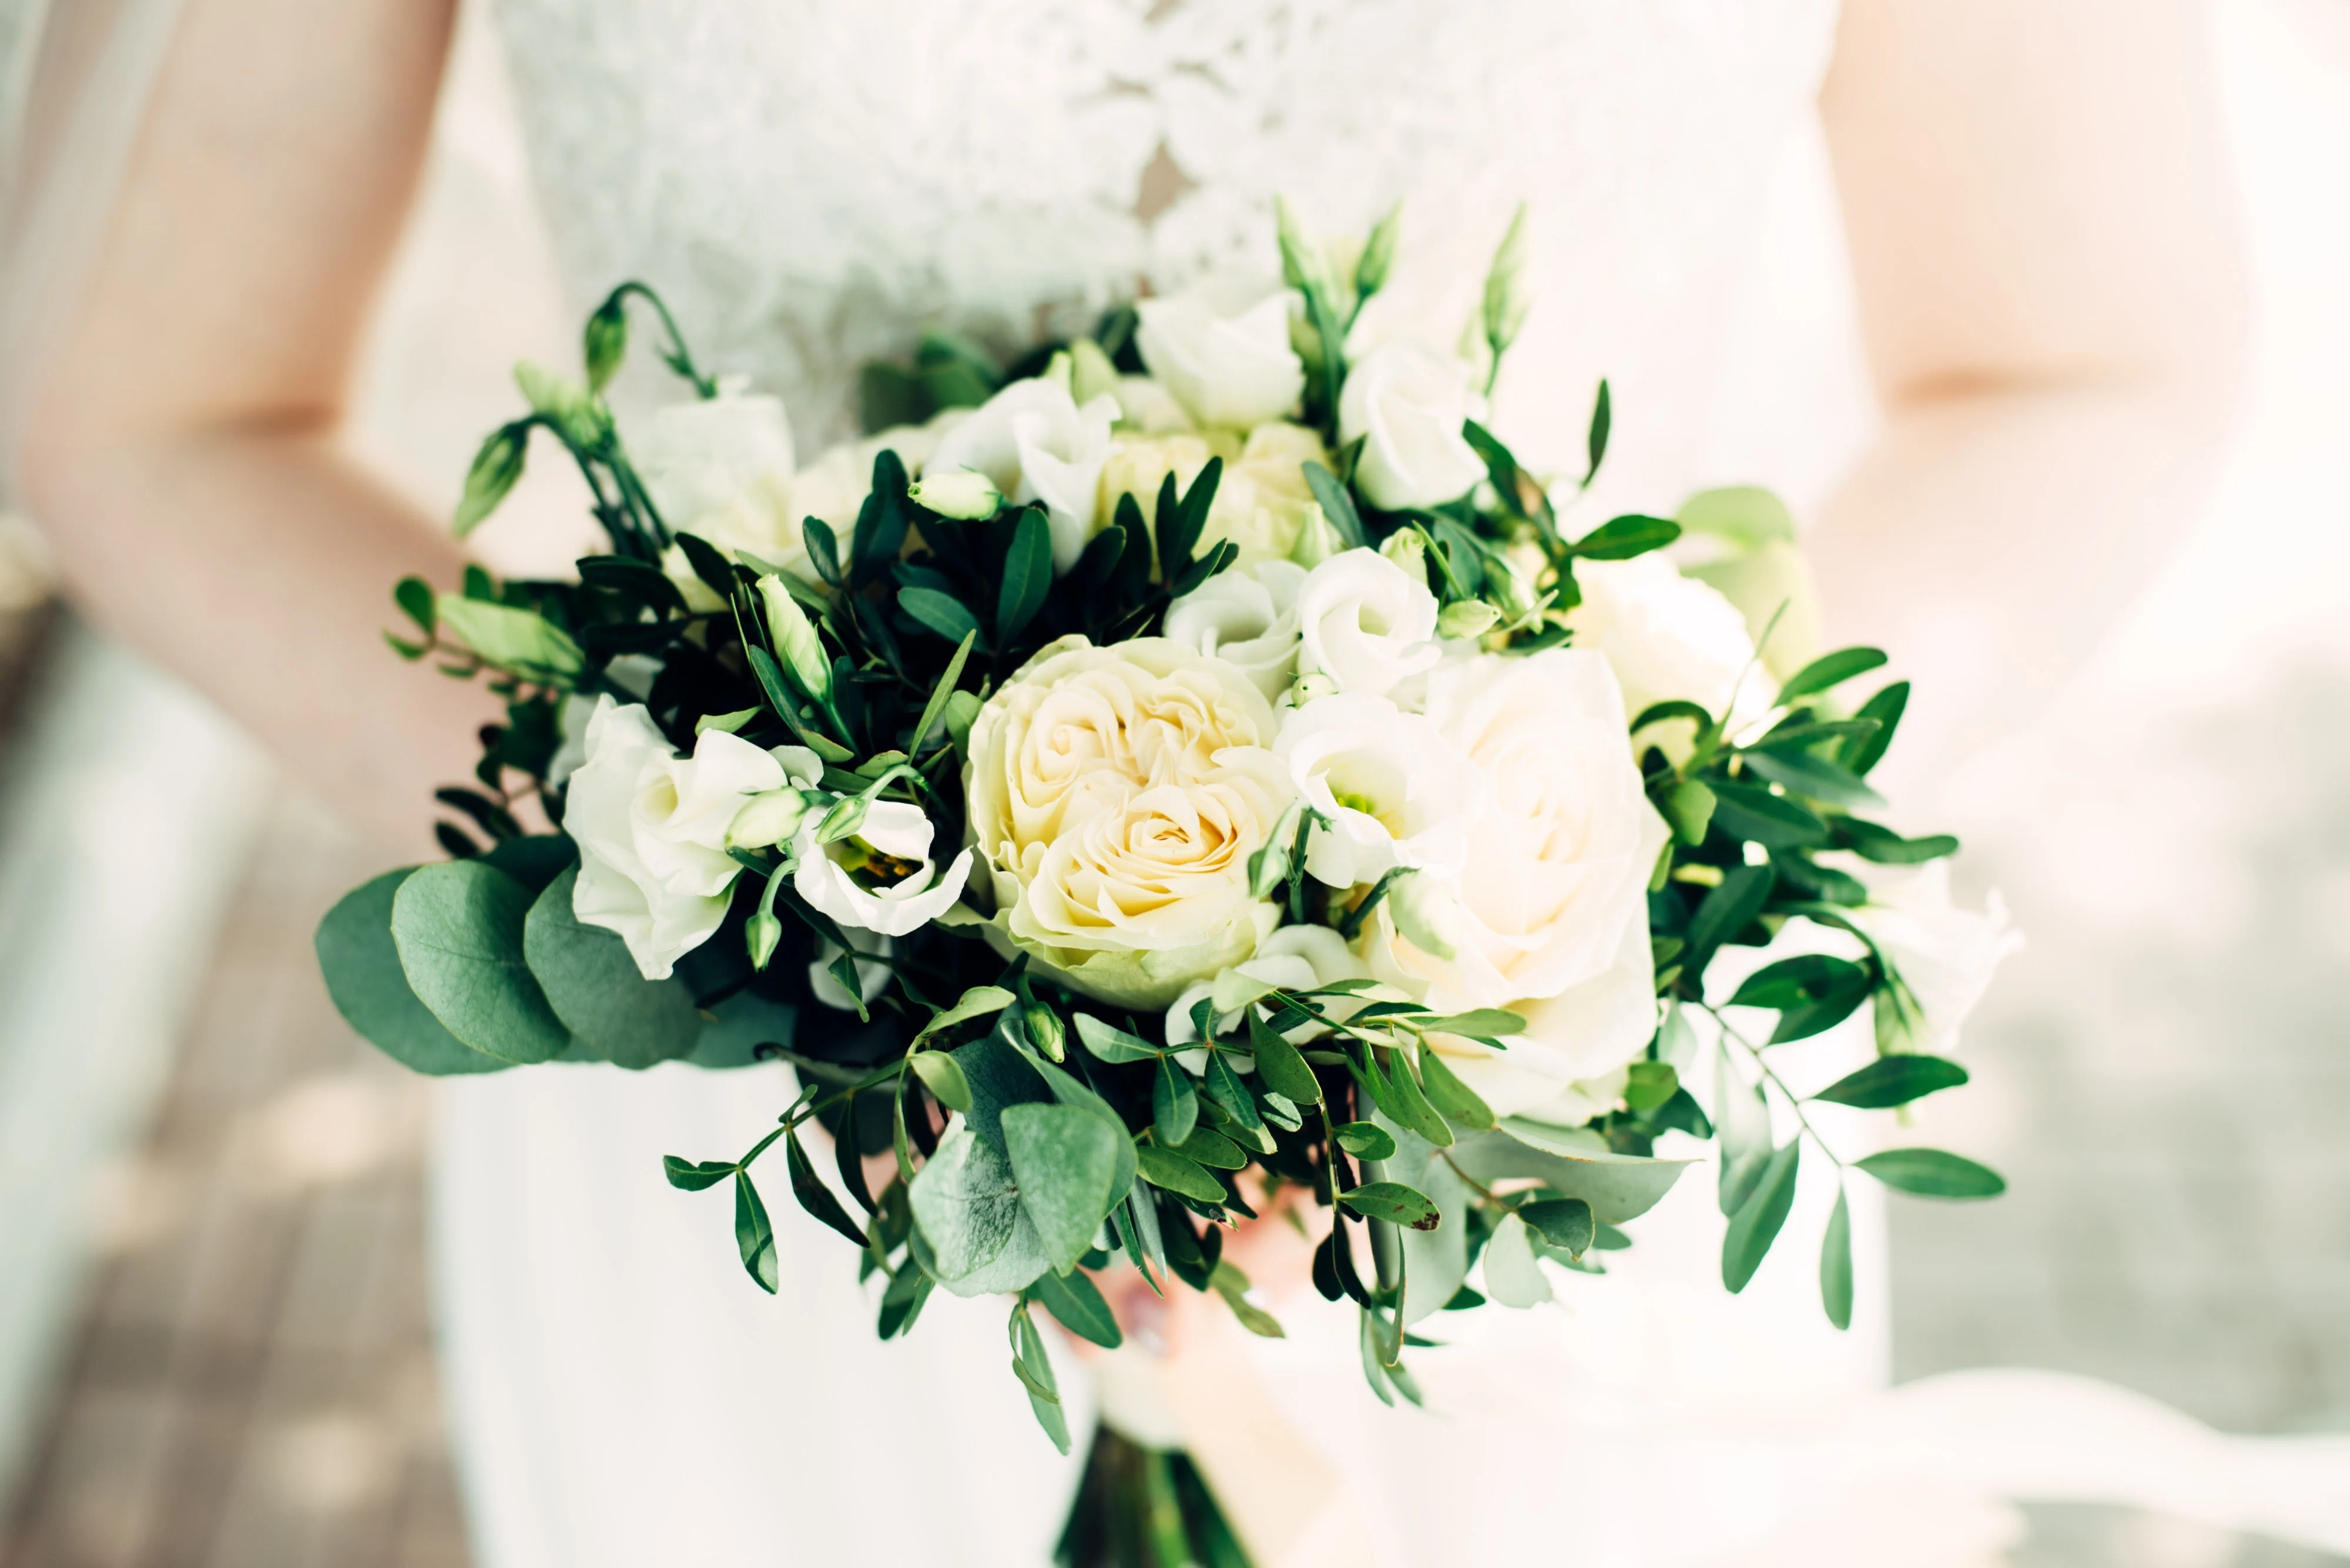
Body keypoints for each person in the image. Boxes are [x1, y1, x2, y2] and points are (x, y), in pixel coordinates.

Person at [2, 2, 2257, 1564]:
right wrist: (732, 889)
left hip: (1553, 1130)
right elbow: (146, 406)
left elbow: (2073, 362)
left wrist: (1546, 854)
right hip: (772, 1168)